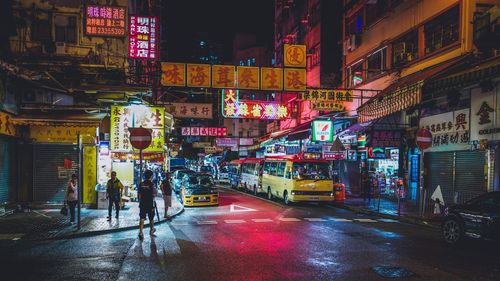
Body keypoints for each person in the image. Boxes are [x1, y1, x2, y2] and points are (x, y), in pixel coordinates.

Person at [138, 169, 157, 240]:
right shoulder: (152, 184)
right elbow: (154, 194)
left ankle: (140, 232)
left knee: (142, 217)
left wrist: (140, 202)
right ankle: (152, 230)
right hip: (150, 203)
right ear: (151, 176)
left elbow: (139, 195)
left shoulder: (141, 184)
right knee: (151, 218)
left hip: (142, 203)